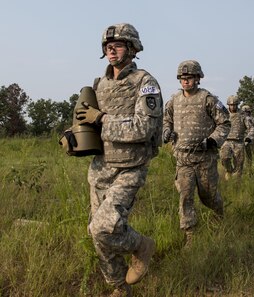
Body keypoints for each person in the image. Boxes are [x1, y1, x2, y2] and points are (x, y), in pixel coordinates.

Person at [75, 23, 163, 297]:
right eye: (107, 46)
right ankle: (119, 288)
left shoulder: (145, 83)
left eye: (118, 45)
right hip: (100, 168)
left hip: (130, 167)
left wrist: (101, 119)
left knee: (104, 227)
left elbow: (144, 128)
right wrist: (72, 135)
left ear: (133, 48)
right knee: (97, 233)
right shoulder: (99, 84)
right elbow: (86, 123)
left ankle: (141, 246)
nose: (111, 50)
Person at [162, 60, 230, 246]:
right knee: (185, 196)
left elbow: (224, 123)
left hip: (205, 159)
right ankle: (190, 236)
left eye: (190, 78)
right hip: (183, 159)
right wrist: (166, 131)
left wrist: (212, 140)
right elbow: (166, 120)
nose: (186, 81)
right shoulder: (174, 101)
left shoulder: (208, 100)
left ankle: (218, 214)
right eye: (183, 78)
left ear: (198, 78)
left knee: (208, 195)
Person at [220, 96, 254, 179]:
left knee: (238, 165)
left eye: (235, 105)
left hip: (239, 142)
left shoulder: (243, 115)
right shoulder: (224, 114)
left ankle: (236, 185)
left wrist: (248, 137)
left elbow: (251, 128)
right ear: (228, 105)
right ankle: (228, 170)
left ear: (237, 105)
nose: (233, 107)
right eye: (231, 105)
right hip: (226, 141)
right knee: (224, 158)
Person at [241, 105, 254, 169]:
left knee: (248, 157)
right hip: (242, 140)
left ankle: (249, 170)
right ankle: (245, 170)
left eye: (245, 112)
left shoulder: (253, 120)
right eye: (244, 112)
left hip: (249, 140)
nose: (245, 113)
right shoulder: (240, 119)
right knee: (243, 156)